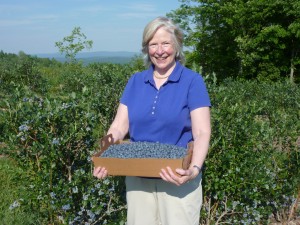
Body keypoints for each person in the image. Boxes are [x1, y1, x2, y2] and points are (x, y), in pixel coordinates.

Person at [93, 16, 211, 225]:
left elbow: (201, 132)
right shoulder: (136, 81)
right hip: (138, 177)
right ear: (146, 48)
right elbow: (119, 126)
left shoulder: (193, 81)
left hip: (177, 177)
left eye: (165, 43)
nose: (160, 50)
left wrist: (194, 170)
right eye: (153, 44)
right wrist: (105, 156)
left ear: (177, 46)